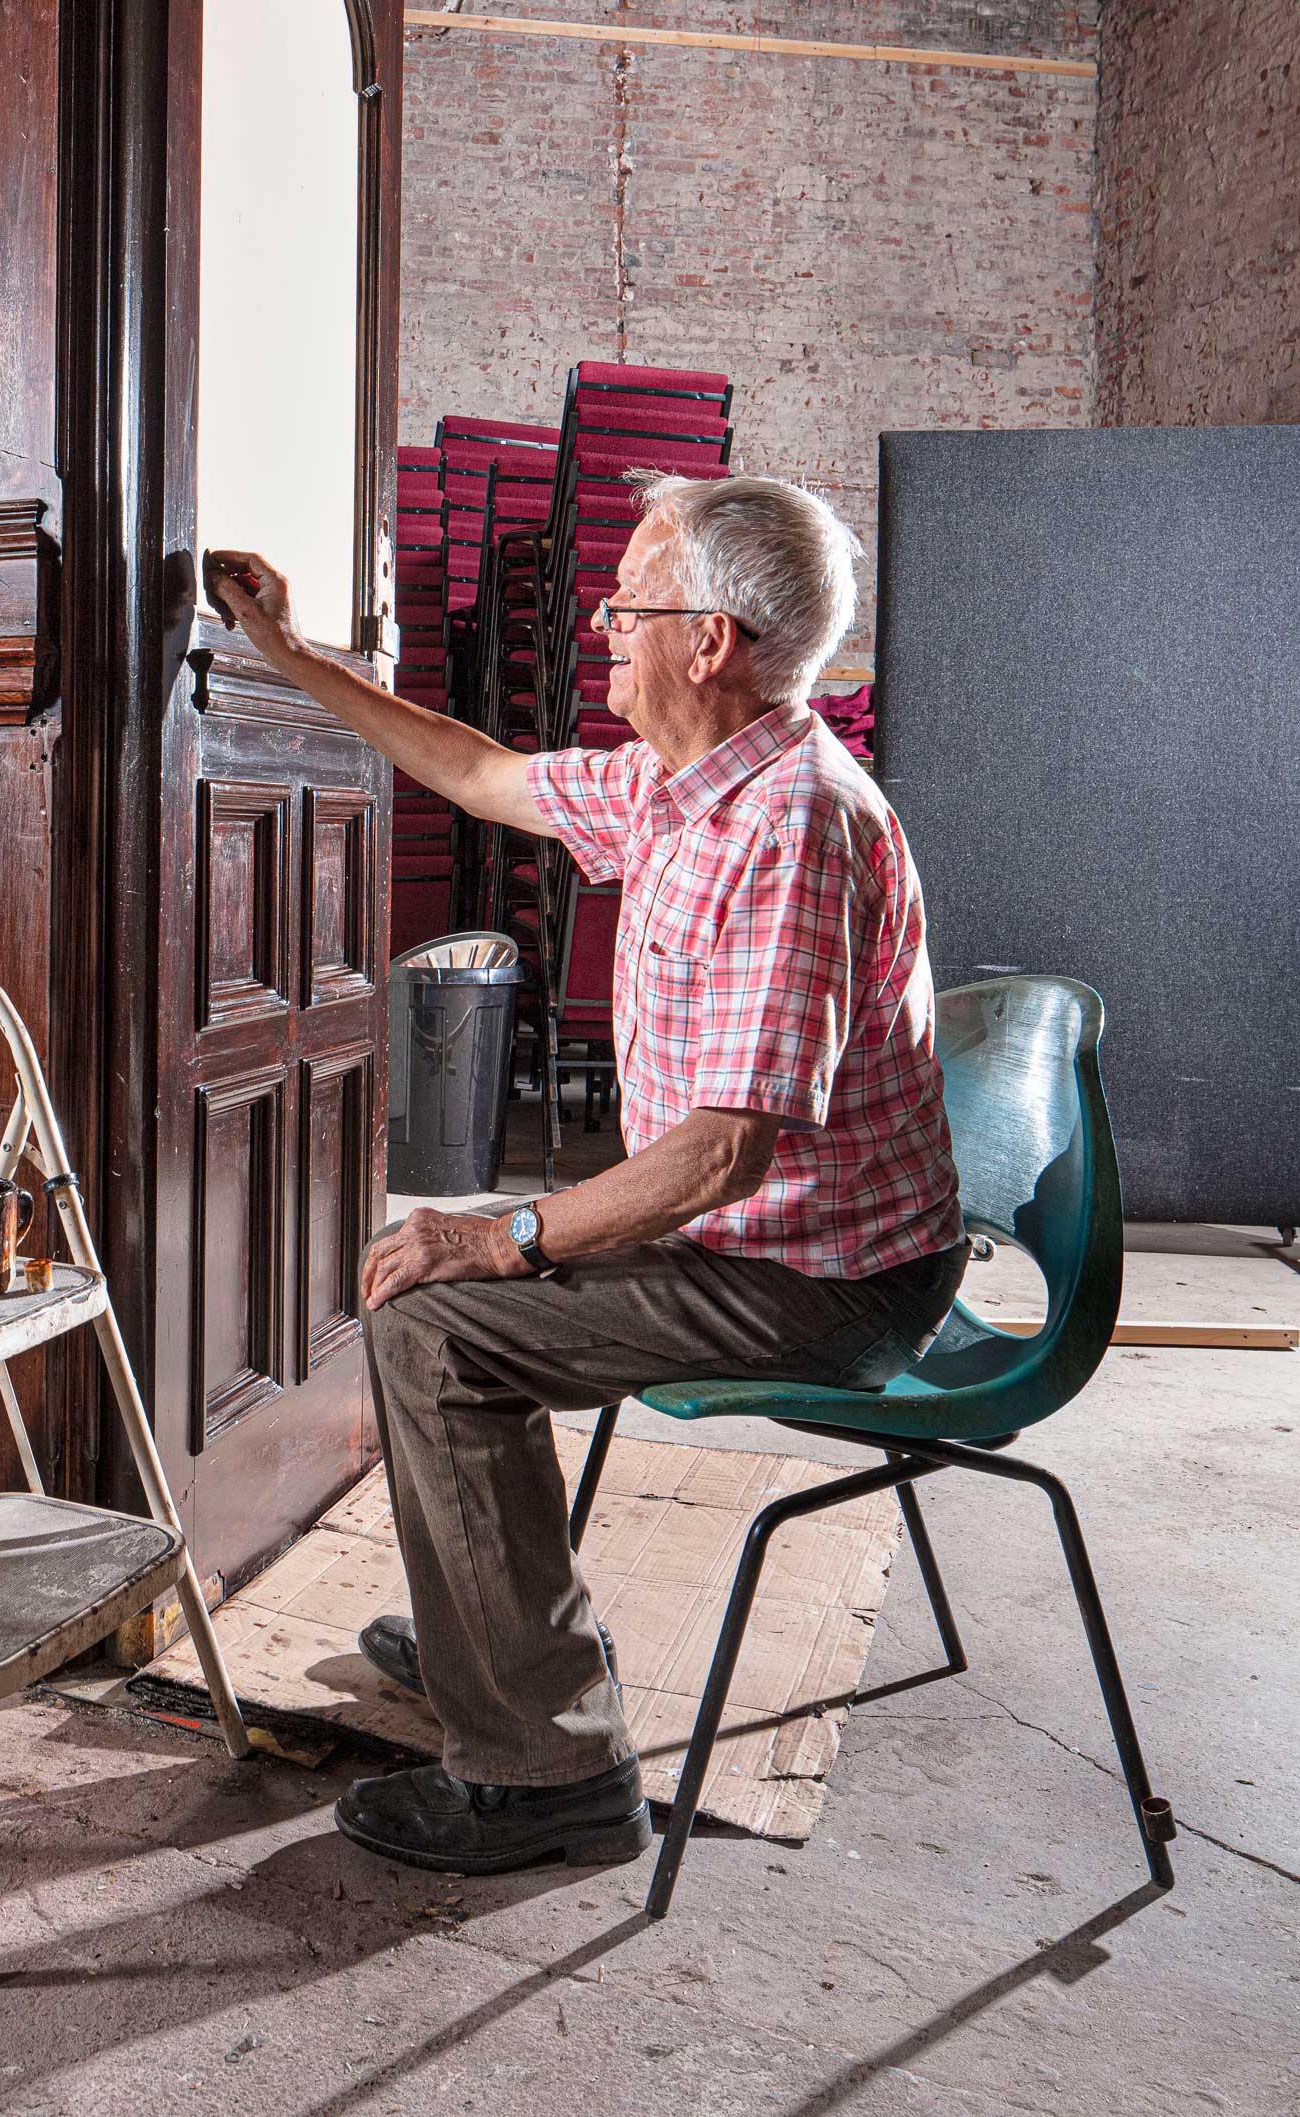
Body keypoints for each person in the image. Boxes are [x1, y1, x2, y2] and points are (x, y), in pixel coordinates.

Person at [204, 471, 965, 1877]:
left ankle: (546, 1771)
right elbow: (481, 772)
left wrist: (501, 1238)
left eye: (633, 599)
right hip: (751, 1233)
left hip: (824, 1281)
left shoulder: (790, 821)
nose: (604, 619)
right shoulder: (677, 784)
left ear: (711, 641)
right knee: (440, 1295)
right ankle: (496, 1650)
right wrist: (293, 659)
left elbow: (724, 1153)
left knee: (437, 1323)